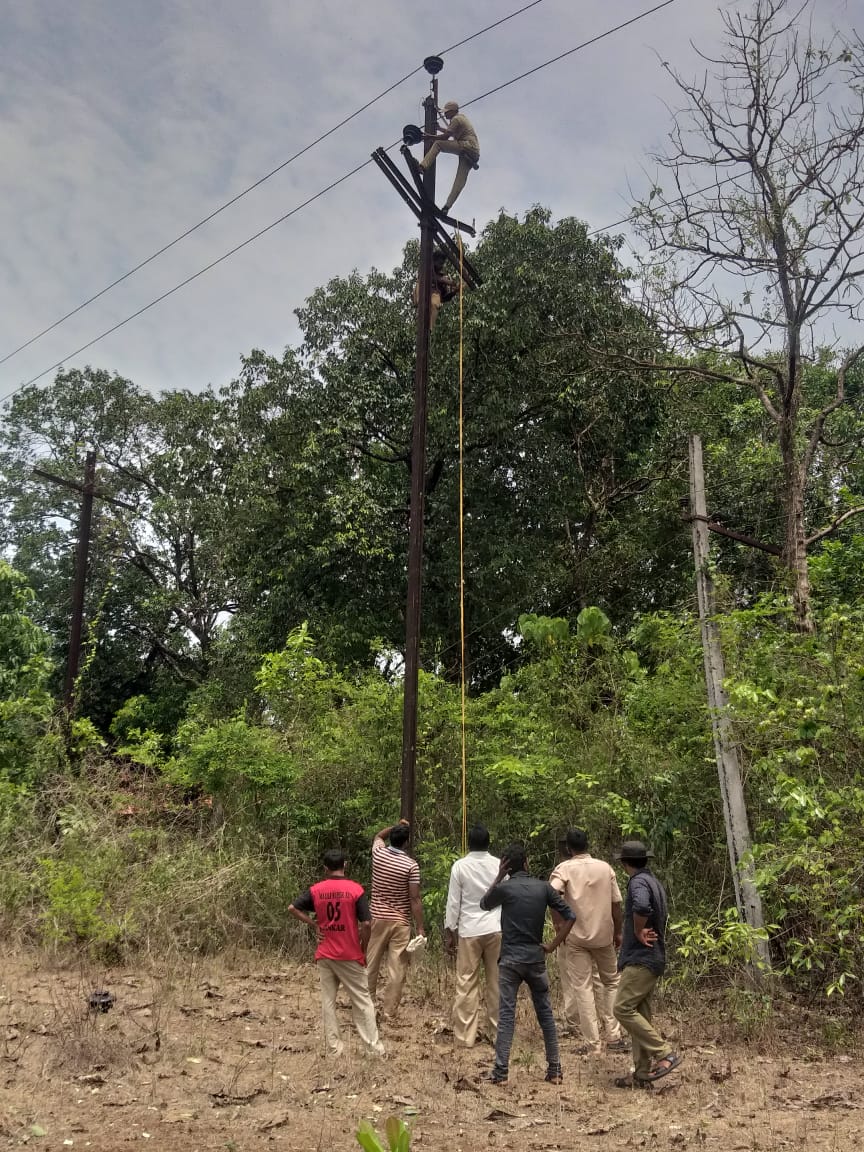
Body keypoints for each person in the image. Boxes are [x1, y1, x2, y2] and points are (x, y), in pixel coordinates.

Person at [479, 844, 575, 1085]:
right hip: (535, 958)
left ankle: (501, 1073)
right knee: (546, 1015)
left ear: (506, 866)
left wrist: (499, 877)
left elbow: (484, 904)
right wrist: (552, 945)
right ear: (527, 863)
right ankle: (555, 1070)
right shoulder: (543, 888)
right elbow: (570, 915)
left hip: (510, 960)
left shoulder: (505, 889)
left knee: (507, 1016)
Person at [288, 848, 385, 1057]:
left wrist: (314, 924)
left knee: (328, 1002)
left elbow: (292, 908)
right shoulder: (355, 890)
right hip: (349, 953)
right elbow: (367, 923)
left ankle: (334, 1050)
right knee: (363, 1001)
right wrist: (363, 948)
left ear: (325, 869)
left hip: (325, 954)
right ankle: (374, 1049)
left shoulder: (316, 890)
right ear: (345, 865)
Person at [550, 828, 628, 1055]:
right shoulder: (605, 868)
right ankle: (614, 1035)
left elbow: (552, 895)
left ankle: (593, 1043)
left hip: (576, 937)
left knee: (583, 987)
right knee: (612, 982)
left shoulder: (563, 869)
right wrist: (618, 931)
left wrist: (558, 926)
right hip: (604, 936)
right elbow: (616, 904)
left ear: (568, 849)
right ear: (588, 844)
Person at [612, 841, 682, 1087]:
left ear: (624, 863)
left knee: (621, 1008)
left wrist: (639, 930)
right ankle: (642, 1074)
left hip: (641, 957)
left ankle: (664, 1053)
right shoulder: (653, 881)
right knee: (640, 1013)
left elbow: (641, 905)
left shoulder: (638, 882)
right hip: (653, 956)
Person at [444, 824, 502, 1047]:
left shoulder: (460, 866)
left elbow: (453, 902)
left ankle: (465, 1037)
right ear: (488, 843)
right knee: (497, 982)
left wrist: (451, 930)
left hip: (469, 930)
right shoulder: (498, 865)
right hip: (495, 928)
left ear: (469, 843)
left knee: (466, 983)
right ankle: (498, 1034)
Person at [366, 819, 425, 1020]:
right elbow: (414, 898)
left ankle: (367, 1005)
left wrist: (396, 826)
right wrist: (420, 928)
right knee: (397, 968)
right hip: (400, 922)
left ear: (392, 837)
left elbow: (377, 836)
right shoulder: (411, 866)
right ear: (406, 842)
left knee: (371, 964)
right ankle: (389, 1011)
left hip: (378, 918)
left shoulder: (378, 854)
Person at [418, 100, 480, 214]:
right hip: (474, 153)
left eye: (446, 112)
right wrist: (439, 129)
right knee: (460, 180)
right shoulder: (460, 119)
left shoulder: (456, 119)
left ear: (453, 111)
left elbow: (445, 137)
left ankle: (422, 167)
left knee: (438, 144)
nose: (445, 114)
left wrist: (429, 137)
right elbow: (450, 132)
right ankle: (447, 207)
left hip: (467, 146)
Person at [412, 249, 459, 332]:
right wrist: (447, 281)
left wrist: (454, 292)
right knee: (420, 284)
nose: (441, 266)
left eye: (442, 264)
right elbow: (435, 278)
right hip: (423, 292)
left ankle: (429, 327)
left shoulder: (443, 278)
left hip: (434, 295)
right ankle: (420, 309)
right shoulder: (426, 269)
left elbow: (444, 298)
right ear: (433, 261)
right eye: (439, 263)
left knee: (435, 302)